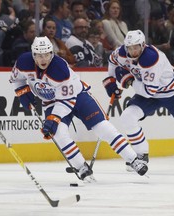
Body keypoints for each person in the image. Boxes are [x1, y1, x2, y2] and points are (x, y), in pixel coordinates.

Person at [10, 36, 148, 183]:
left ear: (52, 53)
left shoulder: (59, 68)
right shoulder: (23, 62)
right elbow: (17, 79)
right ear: (33, 55)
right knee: (58, 134)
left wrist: (53, 118)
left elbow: (66, 100)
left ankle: (133, 160)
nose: (43, 59)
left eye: (46, 55)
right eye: (39, 55)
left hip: (77, 96)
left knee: (103, 128)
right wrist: (22, 90)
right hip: (51, 102)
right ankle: (81, 166)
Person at [103, 30, 174, 169]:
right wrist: (110, 81)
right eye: (130, 47)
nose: (133, 51)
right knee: (127, 117)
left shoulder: (150, 59)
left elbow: (148, 91)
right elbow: (112, 62)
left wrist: (128, 80)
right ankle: (141, 155)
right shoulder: (121, 52)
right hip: (149, 91)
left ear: (143, 45)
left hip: (172, 93)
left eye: (136, 47)